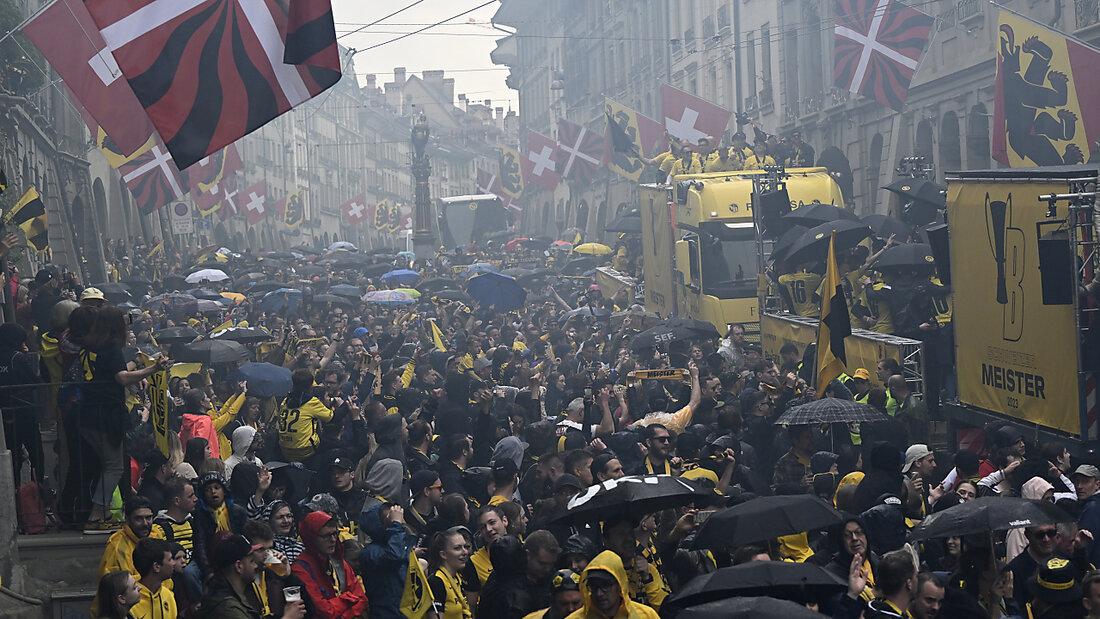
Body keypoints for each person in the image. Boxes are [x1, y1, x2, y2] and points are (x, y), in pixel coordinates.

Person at [82, 307, 171, 532]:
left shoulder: (94, 346)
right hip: (106, 415)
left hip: (90, 414)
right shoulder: (111, 346)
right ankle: (95, 515)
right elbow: (121, 377)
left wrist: (137, 364)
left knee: (108, 464)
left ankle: (101, 514)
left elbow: (116, 370)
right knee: (113, 466)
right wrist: (151, 369)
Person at [196, 534, 305, 619]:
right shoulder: (227, 608)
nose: (256, 565)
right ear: (239, 566)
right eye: (252, 561)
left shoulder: (230, 593)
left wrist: (288, 577)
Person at [290, 510, 367, 619]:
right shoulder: (300, 569)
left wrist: (344, 616)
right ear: (312, 537)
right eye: (326, 535)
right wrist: (348, 598)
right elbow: (324, 611)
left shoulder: (338, 561)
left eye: (334, 534)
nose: (333, 540)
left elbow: (362, 599)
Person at [357, 500, 417, 619]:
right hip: (387, 614)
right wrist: (395, 525)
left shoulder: (398, 546)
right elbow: (394, 556)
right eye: (390, 517)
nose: (396, 519)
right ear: (378, 524)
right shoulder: (369, 552)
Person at [565, 550, 660, 619]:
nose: (599, 593)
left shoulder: (646, 615)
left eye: (605, 586)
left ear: (619, 585)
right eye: (593, 586)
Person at [152, 477, 200, 604]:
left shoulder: (194, 523)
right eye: (190, 496)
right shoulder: (158, 529)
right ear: (177, 501)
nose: (196, 499)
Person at [277, 368, 334, 465]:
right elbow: (332, 417)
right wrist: (344, 405)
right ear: (310, 386)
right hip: (306, 452)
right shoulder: (312, 402)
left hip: (285, 451)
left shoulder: (285, 401)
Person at [428, 528, 473, 619]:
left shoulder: (457, 577)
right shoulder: (436, 582)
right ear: (443, 554)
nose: (465, 552)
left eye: (465, 546)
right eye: (457, 548)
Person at [131, 538, 177, 619]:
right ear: (156, 566)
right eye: (170, 559)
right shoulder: (131, 602)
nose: (174, 563)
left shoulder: (168, 595)